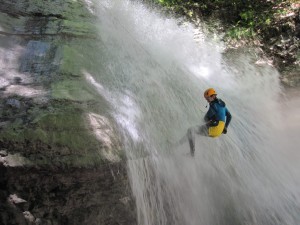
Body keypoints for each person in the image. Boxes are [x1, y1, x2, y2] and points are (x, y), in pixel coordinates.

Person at [185, 88, 232, 156]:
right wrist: (225, 127)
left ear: (213, 96)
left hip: (215, 128)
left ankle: (191, 154)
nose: (206, 100)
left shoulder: (213, 105)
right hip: (219, 129)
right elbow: (229, 116)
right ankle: (181, 145)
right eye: (206, 98)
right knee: (192, 131)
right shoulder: (222, 105)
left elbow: (206, 118)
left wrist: (200, 120)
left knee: (190, 130)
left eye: (207, 98)